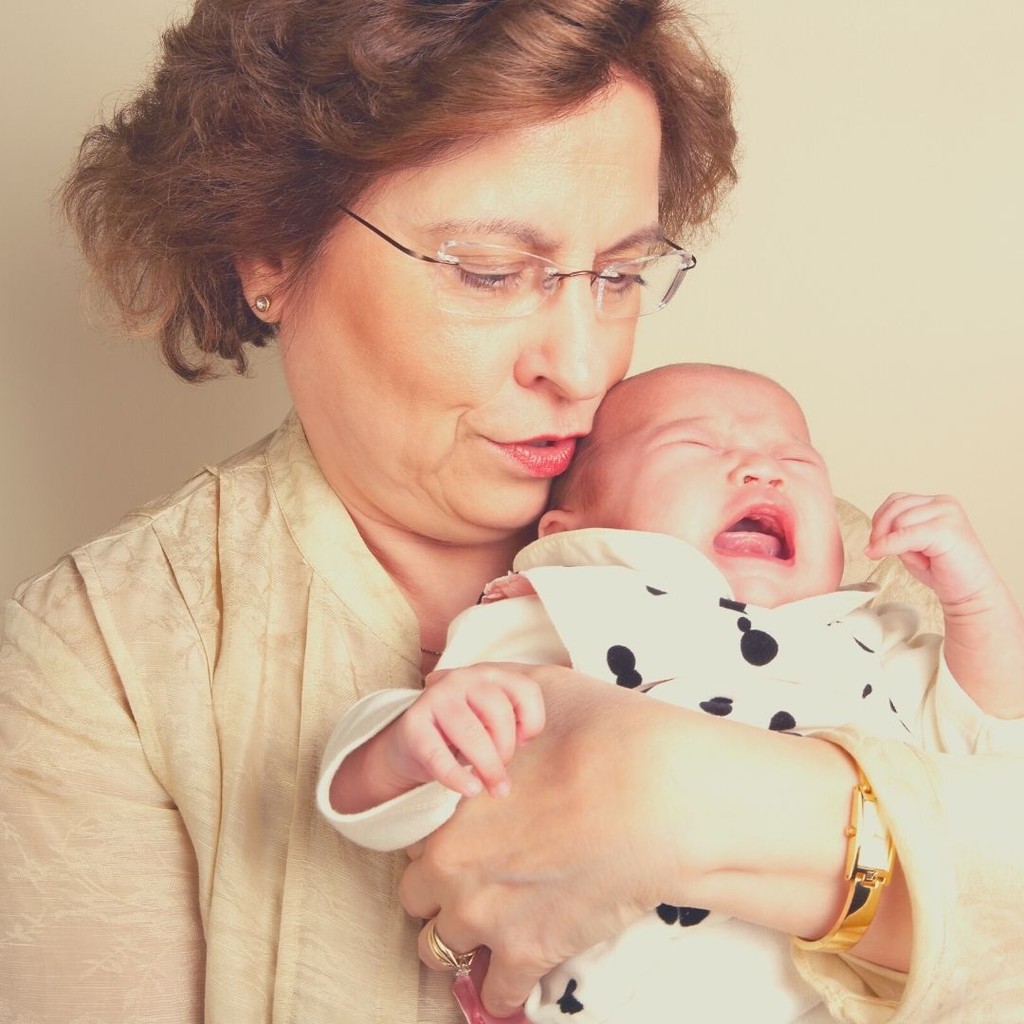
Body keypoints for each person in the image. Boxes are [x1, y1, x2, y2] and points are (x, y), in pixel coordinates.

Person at [1, 2, 1021, 1023]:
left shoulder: (827, 564)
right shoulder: (100, 660)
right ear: (268, 251)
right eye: (487, 271)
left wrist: (675, 789)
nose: (580, 368)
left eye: (621, 274)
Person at [319, 362, 1024, 1022]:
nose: (761, 470)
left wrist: (976, 604)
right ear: (573, 530)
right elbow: (409, 780)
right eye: (695, 446)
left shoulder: (870, 636)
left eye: (796, 460)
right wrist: (398, 751)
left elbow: (987, 740)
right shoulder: (571, 607)